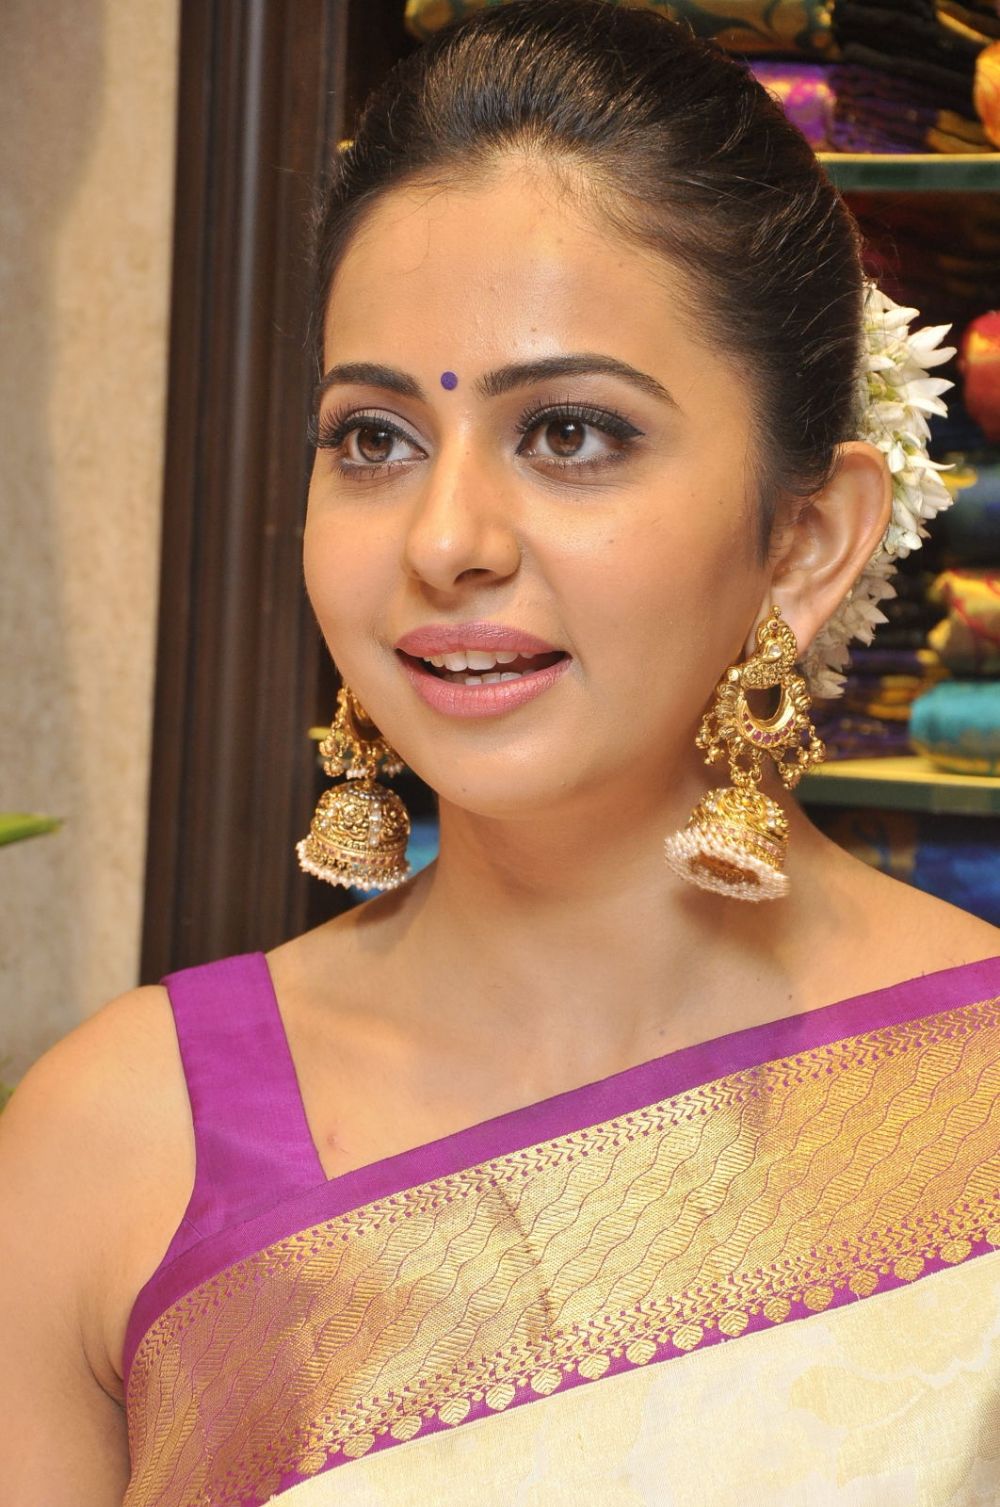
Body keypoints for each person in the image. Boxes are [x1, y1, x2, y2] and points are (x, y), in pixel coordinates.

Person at [3, 3, 999, 1502]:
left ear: (807, 540)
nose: (446, 540)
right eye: (375, 439)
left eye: (572, 434)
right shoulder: (114, 1150)